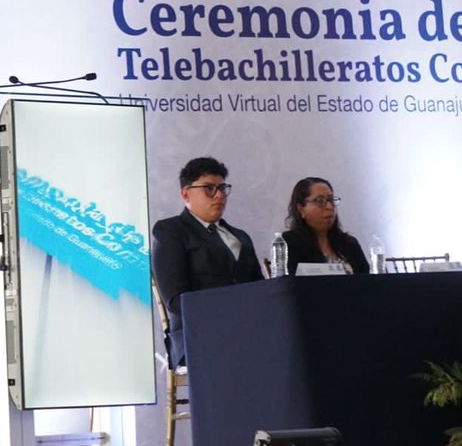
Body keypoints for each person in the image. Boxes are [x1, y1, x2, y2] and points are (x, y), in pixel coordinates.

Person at [151, 156, 263, 368]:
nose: (219, 195)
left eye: (222, 188)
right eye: (209, 188)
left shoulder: (240, 236)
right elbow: (176, 301)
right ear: (185, 193)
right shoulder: (171, 231)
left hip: (244, 330)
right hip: (196, 334)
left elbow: (259, 288)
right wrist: (230, 314)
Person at [282, 177, 369, 275]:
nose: (329, 207)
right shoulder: (288, 243)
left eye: (331, 200)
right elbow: (289, 285)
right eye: (319, 201)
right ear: (301, 209)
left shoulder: (349, 243)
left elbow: (366, 281)